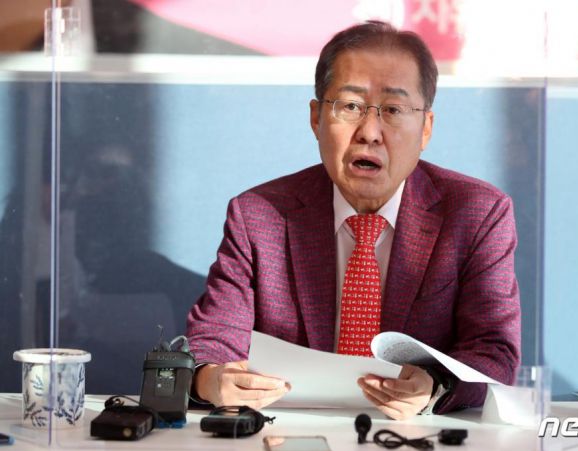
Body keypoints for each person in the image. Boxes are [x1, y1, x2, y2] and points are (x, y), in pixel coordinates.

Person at [186, 20, 521, 421]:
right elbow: (212, 342)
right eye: (350, 107)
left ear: (426, 129)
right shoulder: (258, 215)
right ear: (316, 118)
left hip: (415, 434)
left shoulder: (476, 214)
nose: (370, 133)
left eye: (393, 110)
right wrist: (210, 379)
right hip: (293, 432)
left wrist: (436, 385)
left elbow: (494, 352)